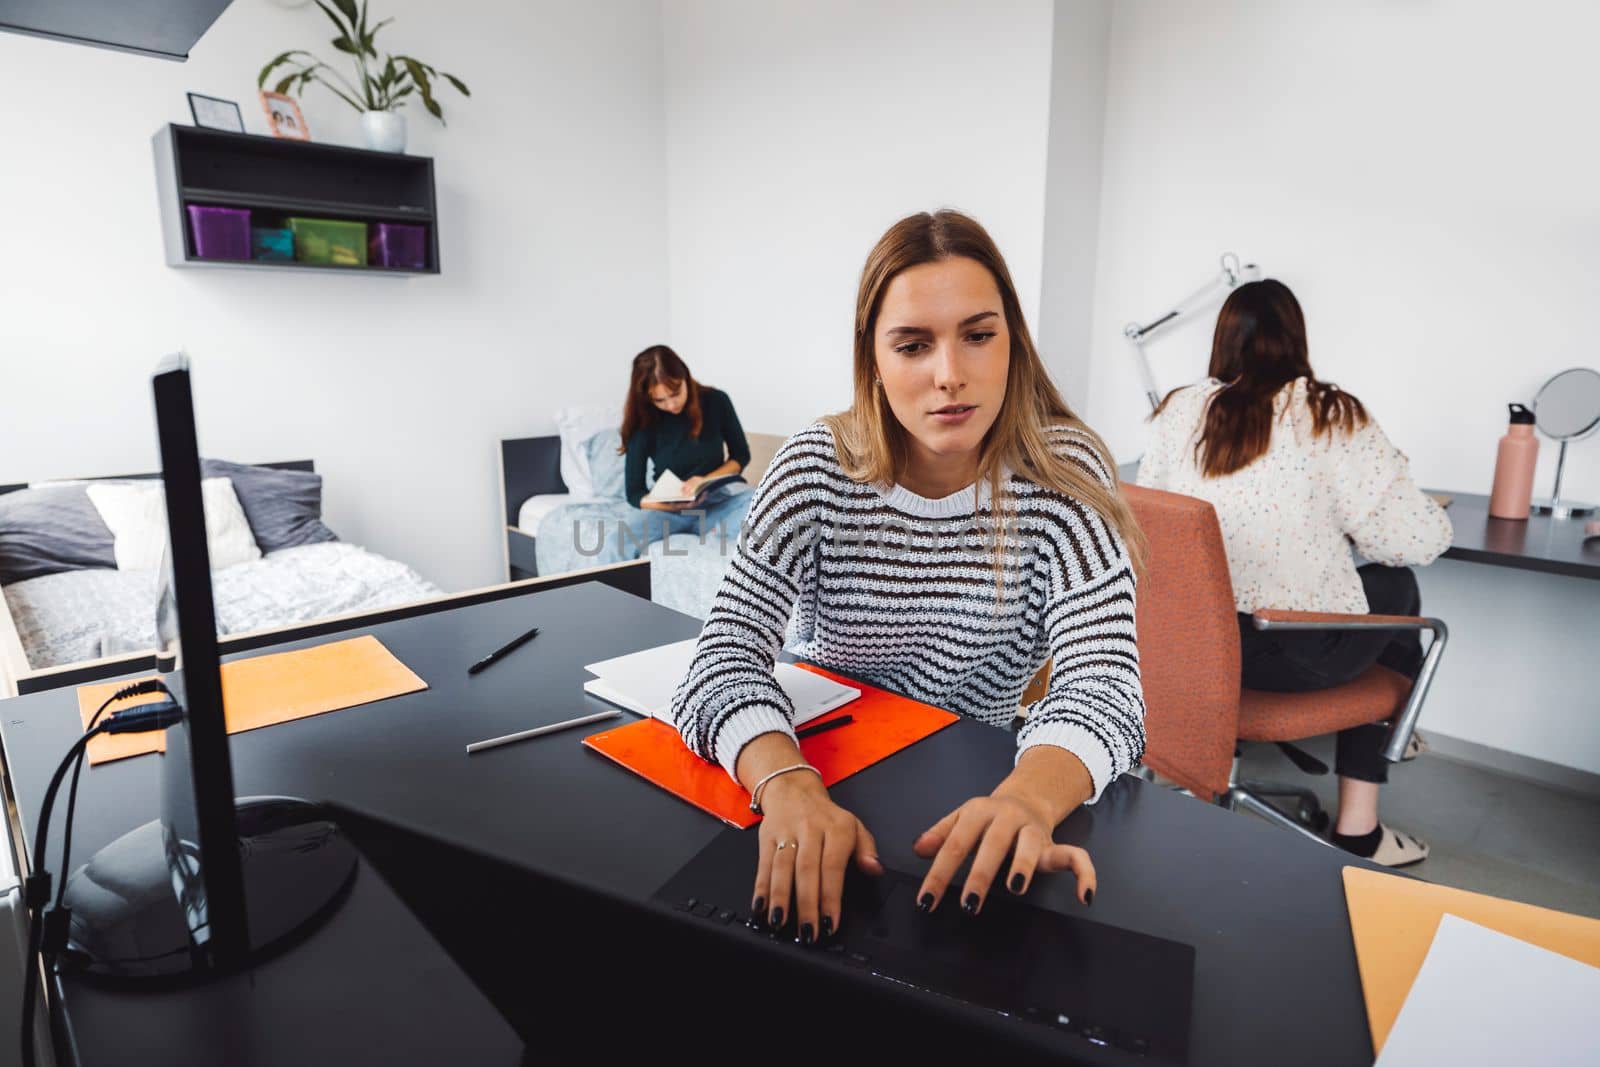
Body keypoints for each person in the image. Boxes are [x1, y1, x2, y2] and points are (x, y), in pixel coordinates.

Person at [669, 210, 1146, 946]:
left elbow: (1106, 685)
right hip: (818, 781)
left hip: (981, 793)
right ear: (874, 359)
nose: (949, 373)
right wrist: (785, 786)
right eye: (914, 344)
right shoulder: (814, 466)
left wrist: (1026, 798)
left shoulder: (1063, 471)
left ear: (1011, 342)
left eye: (978, 335)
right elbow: (721, 658)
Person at [1136, 279, 1452, 867]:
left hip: (1186, 653)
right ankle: (1362, 829)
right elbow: (1420, 538)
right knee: (1395, 588)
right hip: (1280, 653)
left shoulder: (1178, 411)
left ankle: (1194, 773)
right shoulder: (1329, 413)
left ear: (1222, 340)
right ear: (1295, 339)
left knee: (1375, 590)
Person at [583, 345, 755, 566]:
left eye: (675, 394)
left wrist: (704, 480)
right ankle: (613, 599)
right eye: (660, 400)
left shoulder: (716, 401)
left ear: (685, 376)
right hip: (668, 511)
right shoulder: (643, 420)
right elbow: (635, 493)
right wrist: (669, 506)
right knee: (614, 544)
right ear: (647, 397)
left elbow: (740, 456)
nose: (671, 405)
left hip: (716, 500)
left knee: (760, 504)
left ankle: (713, 532)